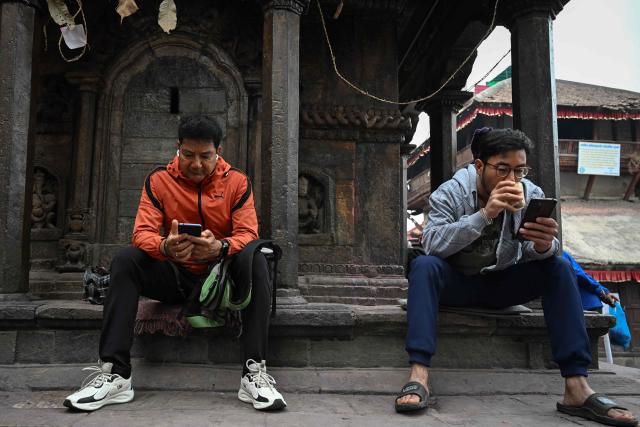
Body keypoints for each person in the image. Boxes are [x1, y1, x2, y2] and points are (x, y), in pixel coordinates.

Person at [395, 128, 637, 427]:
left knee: (559, 265)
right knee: (424, 266)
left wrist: (544, 245)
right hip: (456, 284)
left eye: (519, 170)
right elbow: (431, 243)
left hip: (503, 286)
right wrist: (485, 214)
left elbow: (542, 253)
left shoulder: (530, 193)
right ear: (481, 166)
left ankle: (576, 386)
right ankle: (419, 373)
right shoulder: (451, 192)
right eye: (503, 169)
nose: (512, 179)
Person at [64, 115, 286, 412]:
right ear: (177, 147)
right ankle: (116, 374)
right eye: (188, 155)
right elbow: (141, 233)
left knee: (257, 257)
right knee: (126, 259)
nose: (196, 164)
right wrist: (165, 247)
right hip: (174, 277)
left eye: (205, 156)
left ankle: (253, 373)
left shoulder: (237, 182)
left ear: (218, 151)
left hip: (220, 282)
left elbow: (248, 233)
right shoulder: (158, 180)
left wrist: (219, 248)